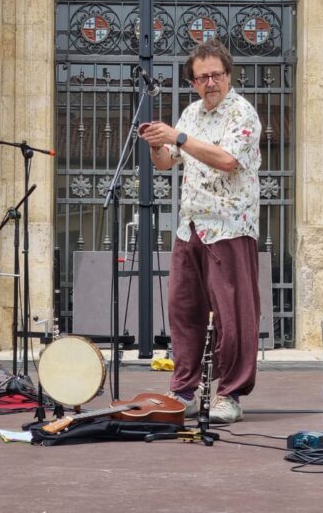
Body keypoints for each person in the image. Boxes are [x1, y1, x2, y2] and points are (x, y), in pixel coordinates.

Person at [139, 39, 262, 423]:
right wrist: (156, 144)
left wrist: (176, 137)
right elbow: (166, 163)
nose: (210, 82)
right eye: (202, 77)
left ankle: (230, 393)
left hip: (230, 223)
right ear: (192, 82)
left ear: (228, 76)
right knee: (183, 310)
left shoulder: (242, 113)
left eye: (216, 75)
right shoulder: (190, 114)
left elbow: (227, 161)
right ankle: (183, 389)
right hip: (190, 224)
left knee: (233, 314)